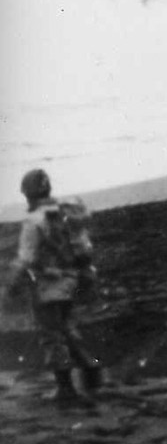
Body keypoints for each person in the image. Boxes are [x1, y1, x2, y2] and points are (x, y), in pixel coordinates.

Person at [6, 169, 102, 409]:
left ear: (27, 194)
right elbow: (83, 245)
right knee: (66, 327)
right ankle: (90, 367)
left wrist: (11, 283)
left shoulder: (33, 221)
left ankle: (66, 388)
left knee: (52, 336)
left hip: (47, 286)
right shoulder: (67, 211)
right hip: (72, 280)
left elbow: (26, 258)